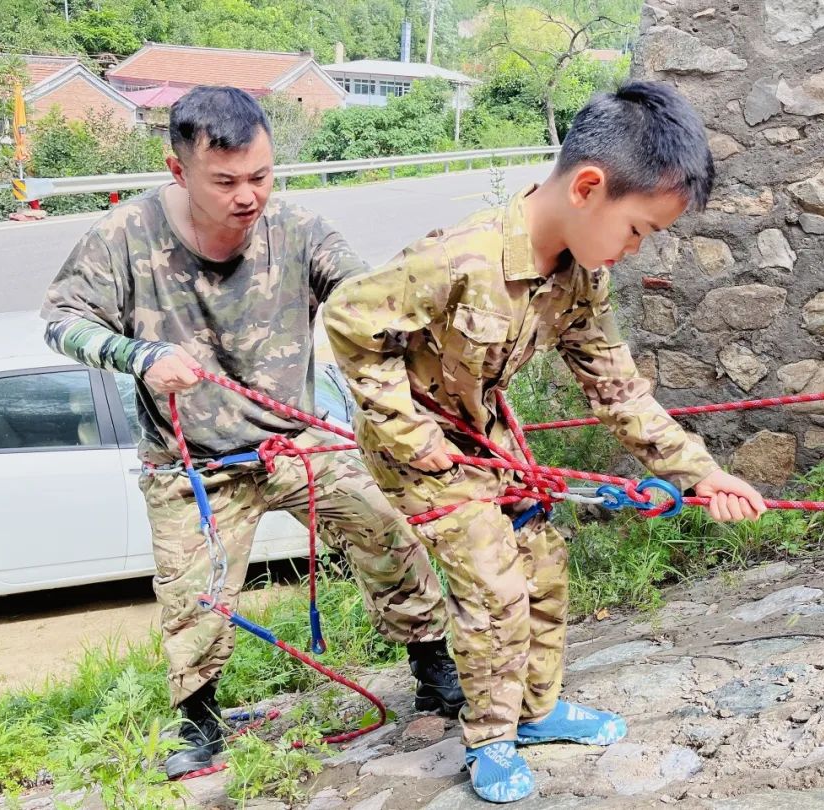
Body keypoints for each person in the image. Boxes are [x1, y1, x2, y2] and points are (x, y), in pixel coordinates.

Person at [324, 80, 767, 803]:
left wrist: (700, 474)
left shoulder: (579, 280)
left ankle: (535, 711)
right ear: (589, 187)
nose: (632, 249)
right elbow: (348, 321)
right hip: (420, 450)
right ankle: (490, 738)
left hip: (487, 439)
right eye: (638, 230)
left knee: (542, 564)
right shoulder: (461, 259)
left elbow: (618, 389)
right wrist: (404, 429)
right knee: (493, 583)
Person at [40, 86, 463, 779]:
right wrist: (140, 356)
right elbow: (62, 318)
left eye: (262, 176)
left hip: (294, 443)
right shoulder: (124, 236)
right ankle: (200, 719)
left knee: (388, 527)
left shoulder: (297, 229)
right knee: (194, 597)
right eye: (227, 180)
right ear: (179, 172)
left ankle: (433, 668)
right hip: (193, 463)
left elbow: (362, 293)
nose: (249, 195)